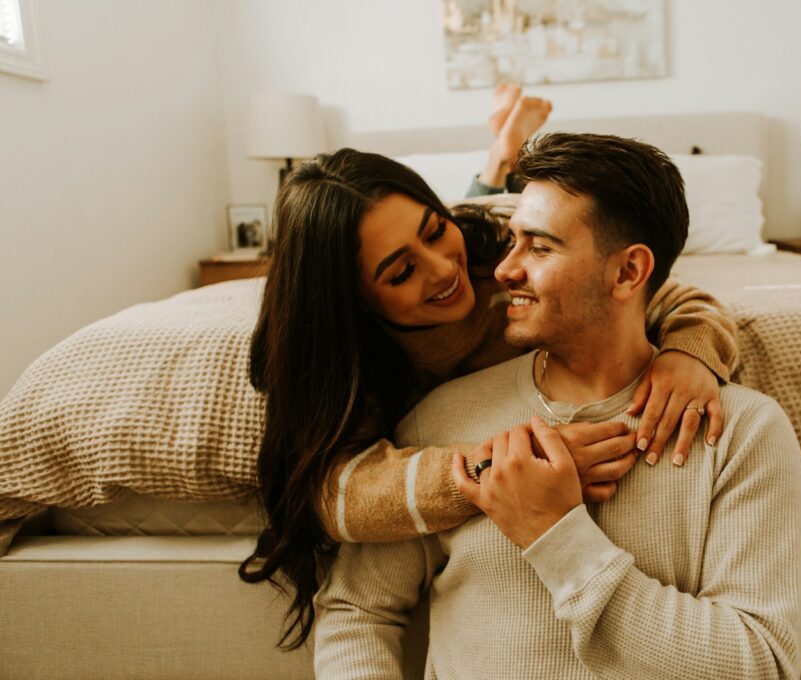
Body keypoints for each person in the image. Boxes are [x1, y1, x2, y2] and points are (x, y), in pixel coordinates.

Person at [240, 88, 741, 649]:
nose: (441, 270)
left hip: (484, 216)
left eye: (432, 230)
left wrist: (688, 352)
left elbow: (666, 294)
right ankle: (501, 148)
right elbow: (338, 494)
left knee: (482, 209)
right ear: (355, 303)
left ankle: (501, 160)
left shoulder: (497, 244)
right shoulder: (354, 361)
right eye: (401, 272)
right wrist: (490, 471)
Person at [313, 133, 801, 679]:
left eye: (540, 247)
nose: (503, 272)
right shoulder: (435, 420)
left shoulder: (742, 430)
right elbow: (357, 611)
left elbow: (761, 666)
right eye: (511, 241)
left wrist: (554, 533)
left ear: (628, 273)